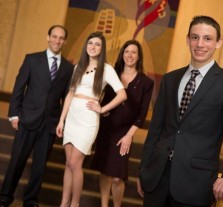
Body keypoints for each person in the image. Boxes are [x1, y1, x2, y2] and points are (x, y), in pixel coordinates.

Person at [137, 15, 223, 207]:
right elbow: (155, 129)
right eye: (195, 37)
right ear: (188, 39)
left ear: (218, 42)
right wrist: (144, 169)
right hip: (157, 177)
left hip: (196, 184)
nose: (200, 44)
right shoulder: (169, 79)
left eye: (207, 38)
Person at [0, 25, 74, 207]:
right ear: (47, 37)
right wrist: (13, 115)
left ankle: (31, 200)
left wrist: (62, 122)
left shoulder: (68, 68)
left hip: (49, 123)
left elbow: (66, 98)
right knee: (17, 160)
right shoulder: (32, 59)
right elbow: (19, 88)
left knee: (40, 166)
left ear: (65, 40)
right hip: (27, 119)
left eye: (61, 38)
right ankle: (5, 196)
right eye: (54, 36)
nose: (57, 40)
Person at [56, 32, 127, 207]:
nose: (93, 47)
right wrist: (61, 120)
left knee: (75, 162)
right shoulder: (78, 67)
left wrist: (102, 109)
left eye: (97, 44)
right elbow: (70, 93)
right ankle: (64, 203)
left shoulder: (107, 69)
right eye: (90, 43)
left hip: (88, 120)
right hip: (72, 117)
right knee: (68, 163)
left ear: (102, 49)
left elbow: (122, 94)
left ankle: (75, 203)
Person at [91, 40, 154, 207]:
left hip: (125, 132)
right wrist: (101, 109)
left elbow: (142, 114)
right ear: (122, 54)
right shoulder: (112, 73)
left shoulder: (146, 82)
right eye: (127, 52)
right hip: (106, 128)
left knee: (118, 176)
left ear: (139, 56)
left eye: (134, 52)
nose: (130, 55)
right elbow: (99, 95)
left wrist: (129, 136)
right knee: (105, 171)